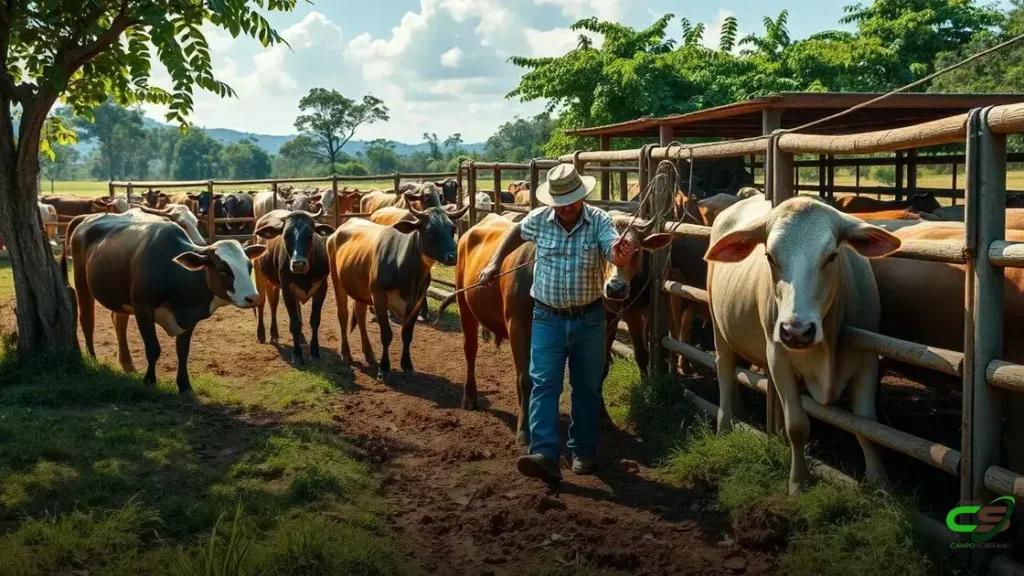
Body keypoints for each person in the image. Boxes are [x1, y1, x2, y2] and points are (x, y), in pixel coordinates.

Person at [478, 163, 637, 484]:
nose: (566, 208)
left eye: (572, 201)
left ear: (581, 196)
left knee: (587, 387)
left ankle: (582, 450)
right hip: (547, 317)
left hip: (589, 318)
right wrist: (495, 262)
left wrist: (619, 256)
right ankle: (545, 453)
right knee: (543, 384)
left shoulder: (599, 222)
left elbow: (612, 249)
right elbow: (515, 232)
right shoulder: (538, 219)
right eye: (560, 202)